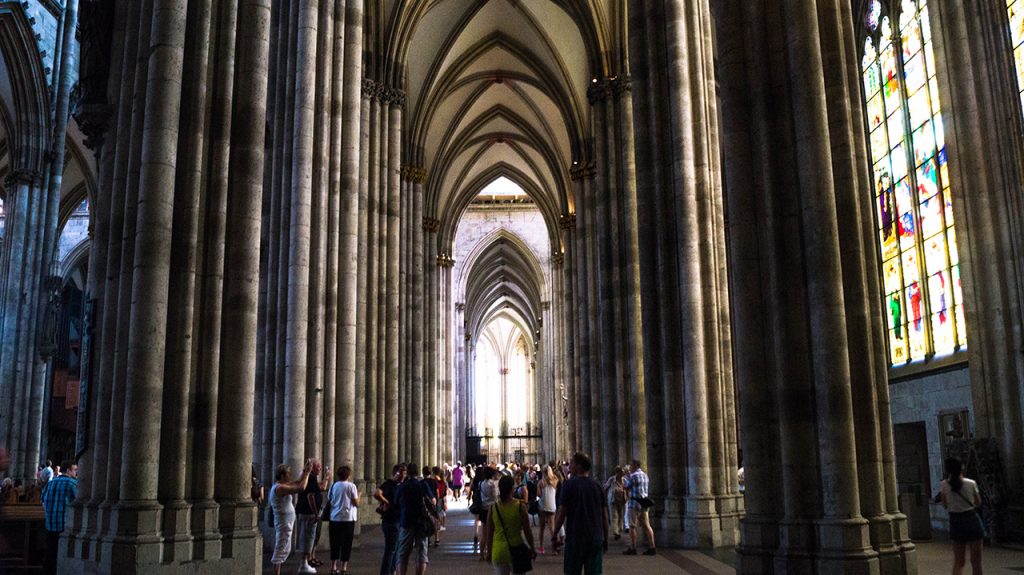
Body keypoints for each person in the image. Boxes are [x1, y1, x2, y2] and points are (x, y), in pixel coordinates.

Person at [553, 452, 608, 575]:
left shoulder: (569, 485)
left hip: (575, 537)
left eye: (571, 463)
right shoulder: (598, 486)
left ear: (578, 466)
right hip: (595, 537)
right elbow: (604, 515)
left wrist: (554, 534)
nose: (569, 466)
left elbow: (562, 513)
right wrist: (605, 537)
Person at [939, 457, 985, 575]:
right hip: (971, 520)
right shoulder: (971, 483)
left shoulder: (944, 485)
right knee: (976, 561)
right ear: (962, 468)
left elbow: (945, 505)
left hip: (955, 521)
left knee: (959, 562)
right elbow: (978, 502)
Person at [486, 474, 538, 575]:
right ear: (512, 489)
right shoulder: (520, 507)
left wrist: (489, 552)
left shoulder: (493, 508)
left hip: (499, 551)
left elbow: (489, 533)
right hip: (517, 550)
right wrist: (532, 548)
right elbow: (527, 531)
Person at [269, 460, 313, 575]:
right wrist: (307, 473)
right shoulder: (279, 488)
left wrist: (304, 470)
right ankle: (276, 573)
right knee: (281, 547)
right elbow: (301, 488)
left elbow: (298, 481)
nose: (290, 475)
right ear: (282, 475)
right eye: (288, 473)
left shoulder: (281, 485)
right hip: (283, 522)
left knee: (285, 548)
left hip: (286, 521)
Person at [396, 463, 435, 575]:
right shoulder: (422, 485)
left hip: (406, 521)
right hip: (421, 522)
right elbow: (433, 500)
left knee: (403, 553)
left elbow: (396, 501)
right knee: (421, 552)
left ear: (407, 473)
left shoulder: (402, 486)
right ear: (418, 472)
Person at [41, 460, 76, 575]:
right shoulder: (72, 483)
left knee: (50, 555)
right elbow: (79, 503)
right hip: (64, 525)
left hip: (50, 524)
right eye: (75, 470)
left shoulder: (51, 483)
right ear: (68, 470)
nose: (76, 473)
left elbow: (42, 499)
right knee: (62, 557)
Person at [327, 465, 360, 575]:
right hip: (348, 518)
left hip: (335, 518)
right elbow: (356, 503)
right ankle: (344, 568)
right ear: (348, 475)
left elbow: (330, 500)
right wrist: (359, 495)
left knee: (334, 542)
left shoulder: (333, 486)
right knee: (347, 543)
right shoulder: (351, 486)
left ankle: (333, 566)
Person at [375, 463, 407, 575]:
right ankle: (385, 572)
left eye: (404, 474)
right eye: (400, 474)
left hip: (398, 521)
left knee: (396, 549)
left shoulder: (401, 485)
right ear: (395, 473)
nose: (403, 476)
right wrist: (386, 502)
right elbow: (377, 493)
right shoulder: (390, 484)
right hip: (390, 521)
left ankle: (392, 570)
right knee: (391, 550)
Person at [294, 459, 325, 573]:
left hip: (306, 512)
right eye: (319, 467)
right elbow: (310, 496)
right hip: (308, 513)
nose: (320, 469)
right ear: (312, 468)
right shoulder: (310, 478)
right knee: (308, 538)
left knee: (308, 537)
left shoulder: (308, 477)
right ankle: (303, 565)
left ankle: (305, 563)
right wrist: (316, 513)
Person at [623, 459, 655, 556]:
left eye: (631, 465)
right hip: (644, 503)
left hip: (634, 503)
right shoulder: (645, 475)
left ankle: (632, 548)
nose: (630, 467)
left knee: (632, 526)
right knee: (647, 525)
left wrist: (627, 476)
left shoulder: (633, 476)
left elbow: (626, 487)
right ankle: (652, 547)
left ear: (636, 465)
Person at [536, 464, 559, 554]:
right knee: (552, 528)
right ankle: (554, 549)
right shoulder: (555, 480)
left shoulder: (541, 482)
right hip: (552, 505)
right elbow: (555, 491)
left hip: (543, 506)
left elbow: (539, 494)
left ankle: (542, 548)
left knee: (542, 528)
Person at [603, 467, 626, 540]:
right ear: (617, 472)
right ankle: (616, 531)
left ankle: (620, 528)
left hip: (622, 499)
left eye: (623, 472)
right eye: (621, 472)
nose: (622, 474)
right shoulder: (612, 479)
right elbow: (606, 487)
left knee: (621, 514)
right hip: (613, 499)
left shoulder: (624, 480)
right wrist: (605, 498)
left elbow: (627, 488)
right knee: (614, 515)